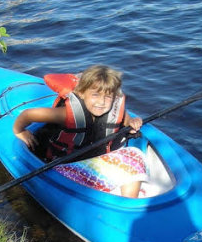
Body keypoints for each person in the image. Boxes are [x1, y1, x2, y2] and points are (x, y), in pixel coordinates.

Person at [12, 65, 147, 198]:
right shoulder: (67, 115)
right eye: (95, 95)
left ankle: (128, 201)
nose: (101, 102)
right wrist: (19, 131)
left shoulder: (113, 110)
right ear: (81, 93)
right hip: (64, 167)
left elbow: (124, 116)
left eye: (108, 97)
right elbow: (29, 114)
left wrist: (130, 122)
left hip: (94, 163)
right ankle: (104, 197)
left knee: (135, 154)